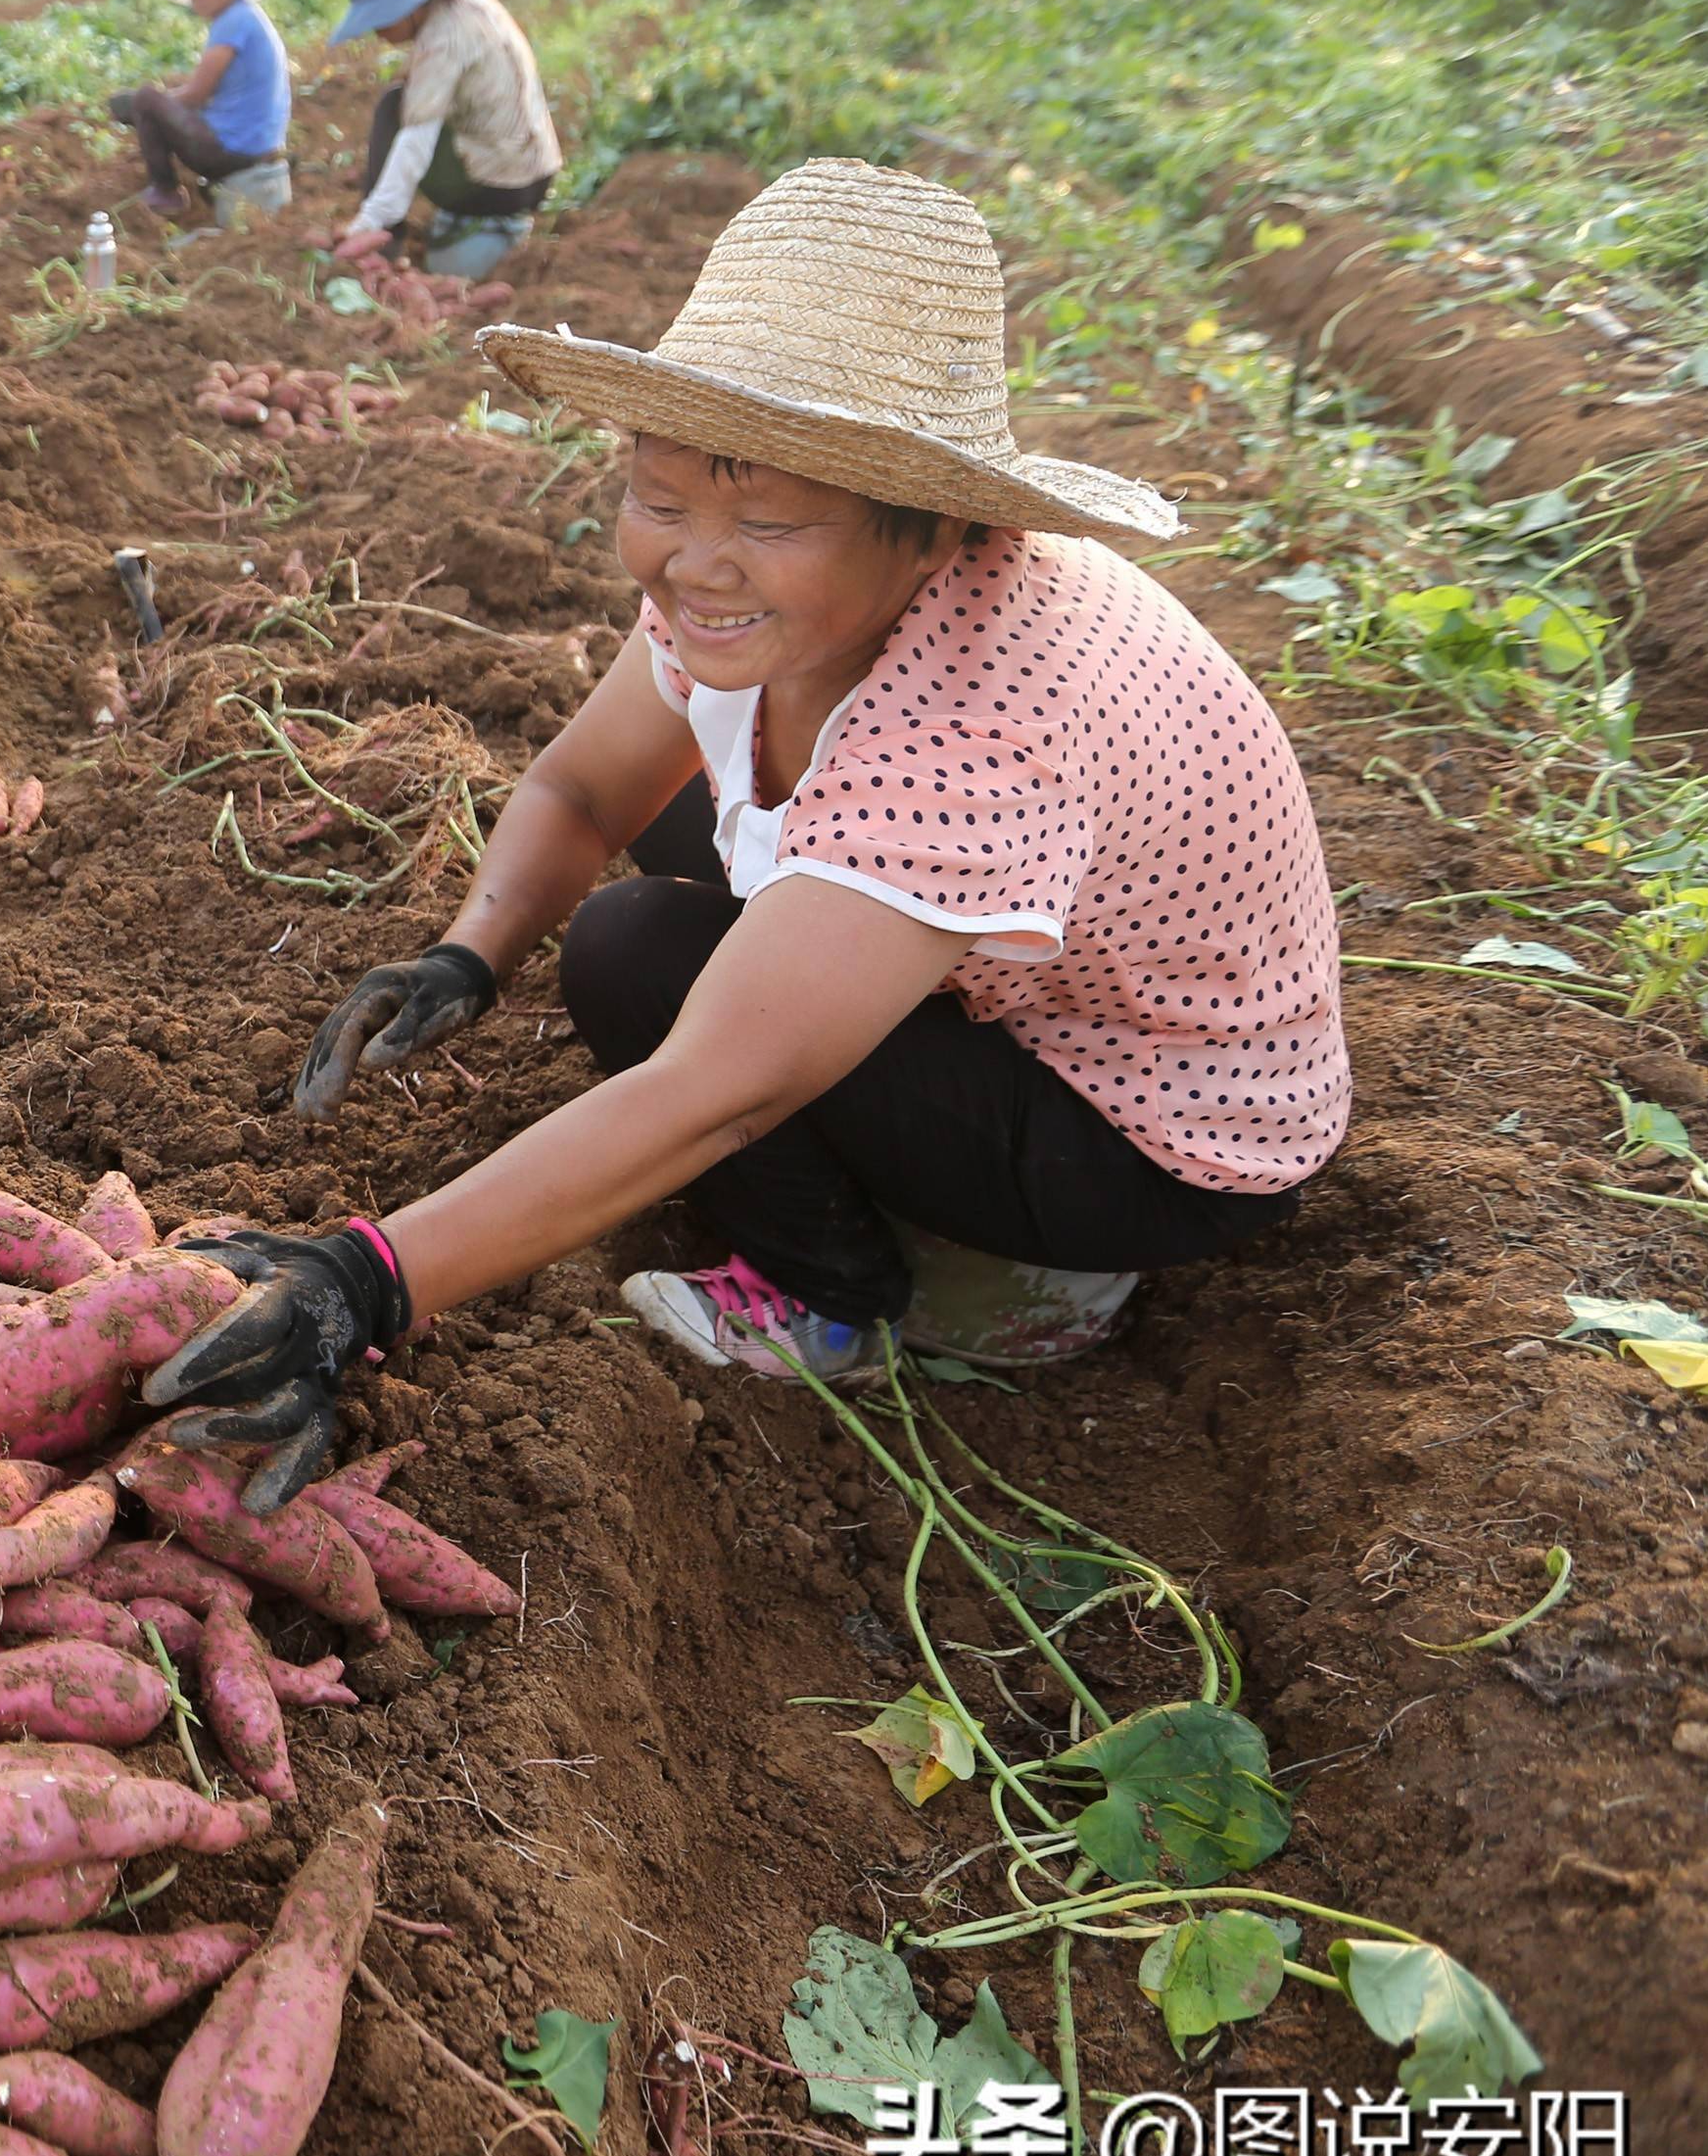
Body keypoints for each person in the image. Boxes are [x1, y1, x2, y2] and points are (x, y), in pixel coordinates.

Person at [141, 162, 1346, 1506]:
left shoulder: (969, 731)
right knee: (660, 840)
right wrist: (464, 957)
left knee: (636, 953)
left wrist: (357, 1281)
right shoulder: (756, 605)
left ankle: (873, 1302)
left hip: (1150, 1132)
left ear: (937, 525)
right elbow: (584, 793)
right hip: (1031, 979)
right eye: (661, 498)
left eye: (768, 522)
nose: (696, 562)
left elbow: (722, 1089)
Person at [324, 0, 561, 281]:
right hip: (536, 173)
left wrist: (369, 221)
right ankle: (388, 232)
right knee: (405, 101)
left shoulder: (442, 40)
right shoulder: (469, 3)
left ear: (409, 6)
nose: (378, 33)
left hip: (498, 184)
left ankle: (382, 244)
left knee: (392, 109)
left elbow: (414, 144)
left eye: (382, 20)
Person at [105, 0, 291, 219]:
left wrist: (147, 107)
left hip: (236, 149)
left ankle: (166, 192)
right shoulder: (247, 17)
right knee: (152, 102)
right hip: (257, 146)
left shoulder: (233, 21)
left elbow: (197, 95)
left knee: (145, 97)